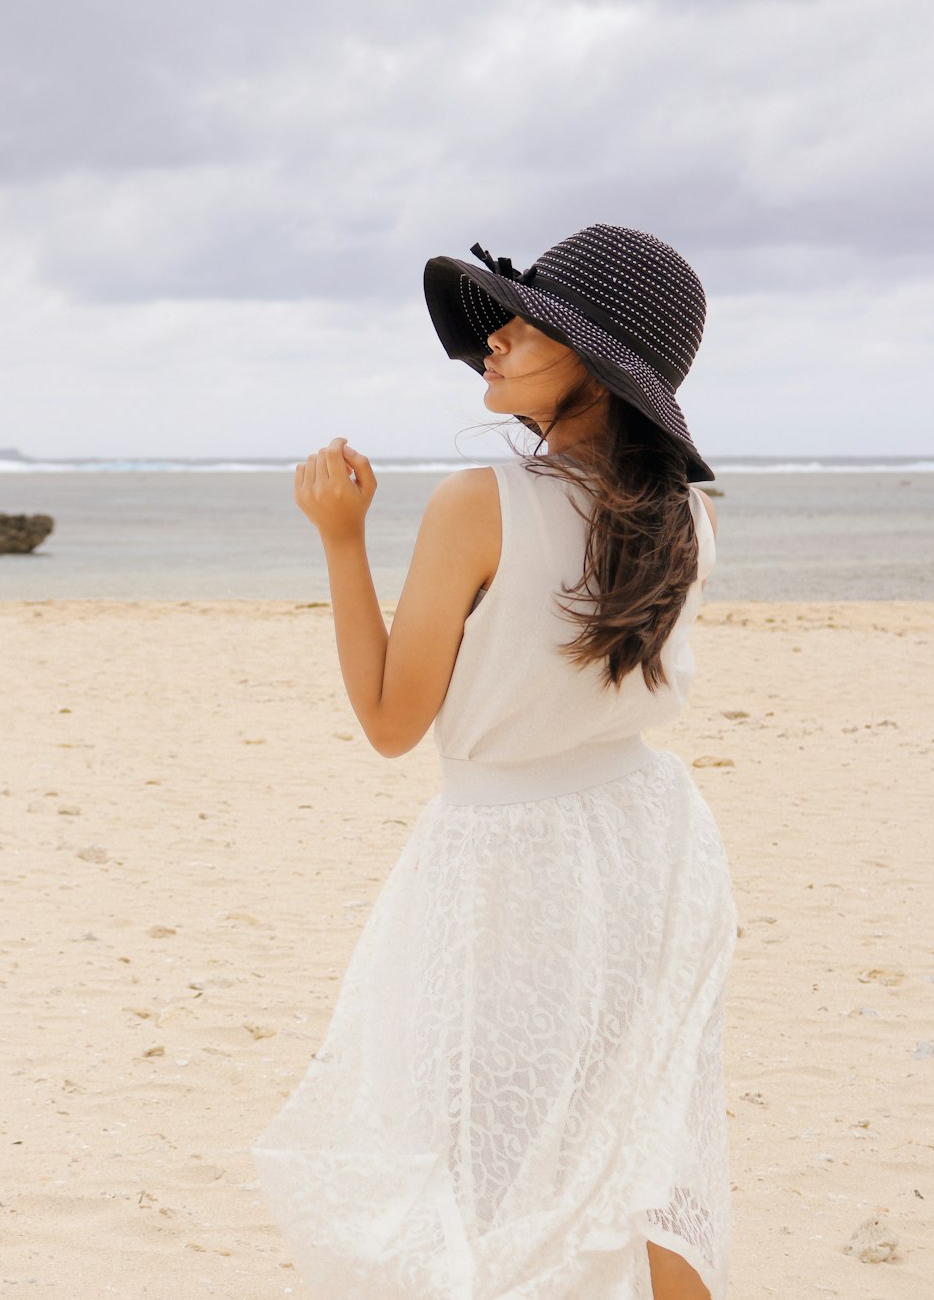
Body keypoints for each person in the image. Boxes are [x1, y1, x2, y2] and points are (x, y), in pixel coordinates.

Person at [250, 223, 738, 1300]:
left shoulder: (479, 505)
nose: (498, 336)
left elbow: (389, 721)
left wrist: (339, 537)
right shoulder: (688, 517)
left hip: (508, 865)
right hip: (650, 843)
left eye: (535, 323)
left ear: (603, 371)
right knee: (644, 1145)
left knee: (482, 1156)